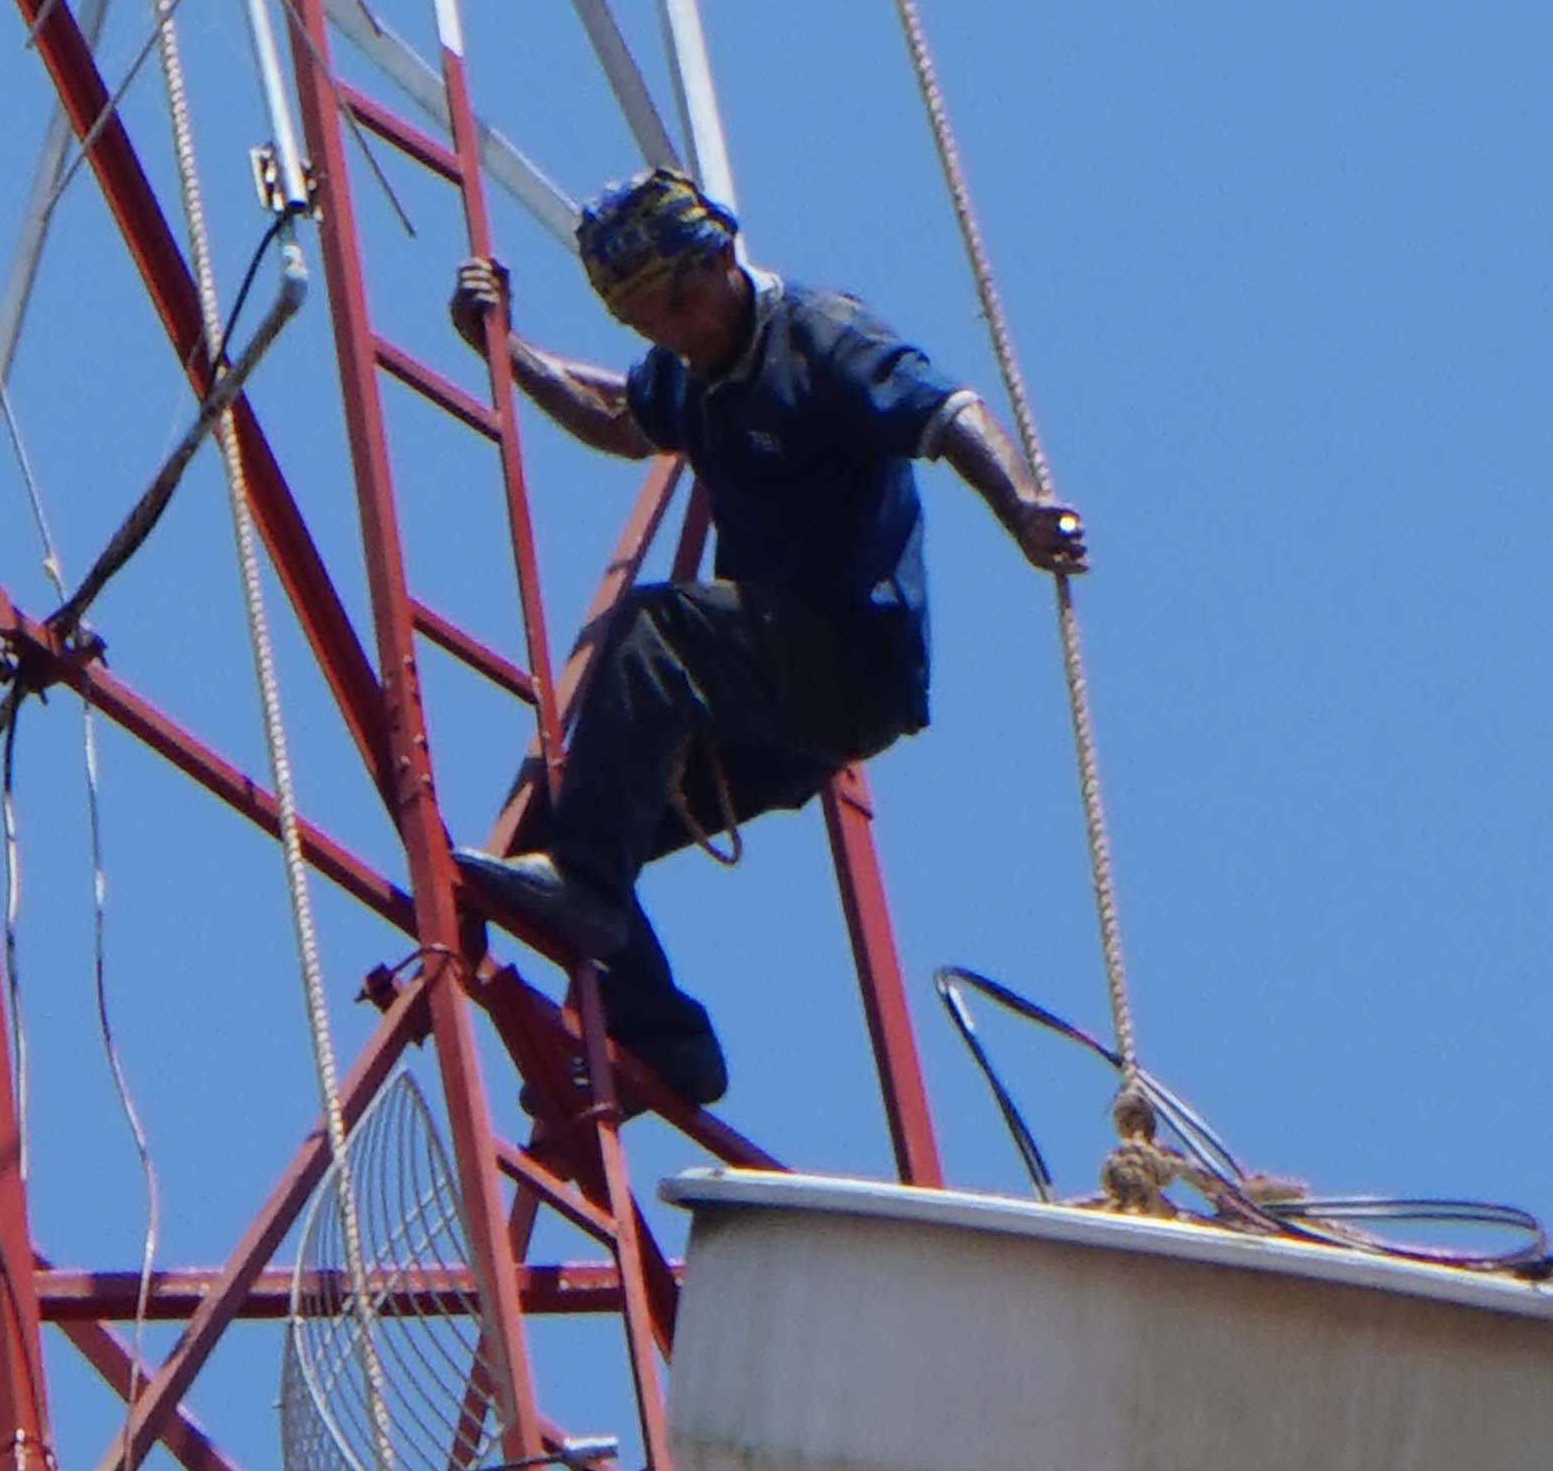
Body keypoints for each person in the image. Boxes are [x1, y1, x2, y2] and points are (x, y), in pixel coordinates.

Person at [447, 166, 1086, 1110]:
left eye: (682, 304)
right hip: (769, 705)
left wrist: (1021, 505)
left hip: (850, 664)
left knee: (657, 631)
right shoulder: (689, 373)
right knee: (568, 823)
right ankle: (667, 1041)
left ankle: (589, 887)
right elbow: (618, 418)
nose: (677, 332)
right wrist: (506, 350)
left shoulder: (817, 334)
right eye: (650, 324)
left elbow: (948, 413)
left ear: (720, 257)